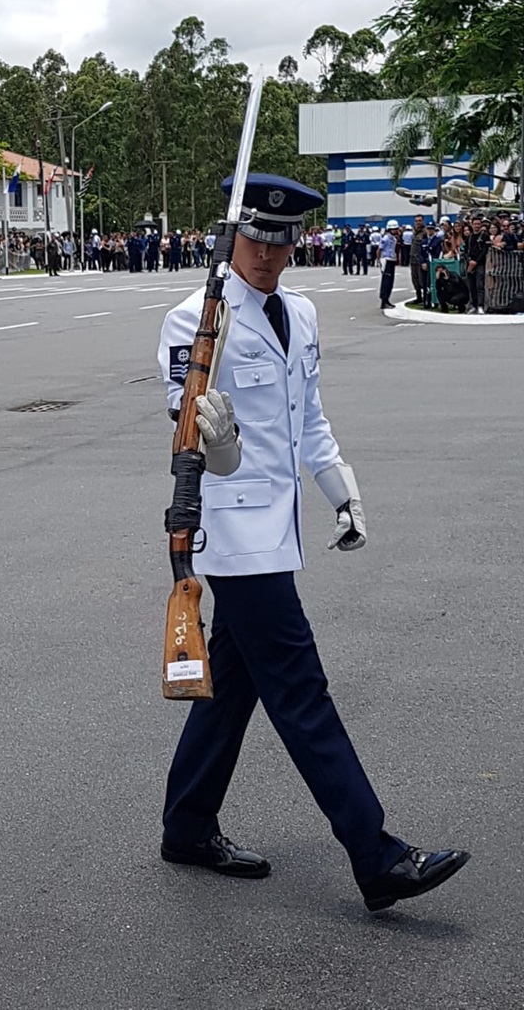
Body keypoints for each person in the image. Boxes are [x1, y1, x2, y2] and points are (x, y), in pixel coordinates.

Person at [157, 172, 470, 912]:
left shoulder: (299, 312)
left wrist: (342, 494)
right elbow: (186, 429)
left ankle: (187, 825)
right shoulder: (195, 319)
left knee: (234, 684)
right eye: (256, 239)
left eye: (282, 240)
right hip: (235, 536)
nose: (268, 254)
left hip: (280, 528)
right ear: (233, 235)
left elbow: (309, 419)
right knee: (301, 690)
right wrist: (219, 441)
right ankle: (377, 856)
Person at [378, 221, 399, 309]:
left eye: (395, 229)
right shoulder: (385, 238)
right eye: (393, 229)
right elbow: (379, 249)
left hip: (392, 260)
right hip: (386, 260)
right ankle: (384, 301)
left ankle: (387, 300)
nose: (395, 230)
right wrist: (379, 261)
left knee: (390, 282)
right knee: (386, 282)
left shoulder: (394, 239)